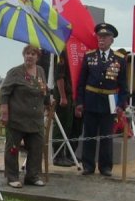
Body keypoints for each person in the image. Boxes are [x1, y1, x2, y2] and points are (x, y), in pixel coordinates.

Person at [75, 23, 129, 176]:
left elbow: (123, 86)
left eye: (105, 37)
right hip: (91, 100)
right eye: (99, 37)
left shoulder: (119, 59)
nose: (101, 39)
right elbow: (81, 82)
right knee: (89, 135)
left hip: (109, 102)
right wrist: (79, 102)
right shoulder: (89, 56)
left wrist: (120, 105)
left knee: (106, 136)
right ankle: (88, 165)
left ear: (112, 40)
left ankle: (105, 167)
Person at [0, 45, 50, 187]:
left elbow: (44, 90)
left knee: (36, 148)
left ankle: (32, 176)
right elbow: (4, 92)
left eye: (33, 54)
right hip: (17, 119)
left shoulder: (40, 71)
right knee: (13, 148)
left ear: (37, 57)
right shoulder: (15, 72)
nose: (30, 56)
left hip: (36, 120)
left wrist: (48, 99)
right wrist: (4, 112)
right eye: (27, 53)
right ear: (23, 55)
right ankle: (12, 177)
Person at [51, 49, 82, 167]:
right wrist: (63, 96)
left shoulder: (79, 49)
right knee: (61, 126)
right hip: (64, 95)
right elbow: (59, 76)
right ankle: (58, 156)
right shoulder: (63, 51)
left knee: (72, 126)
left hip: (74, 95)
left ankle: (69, 154)